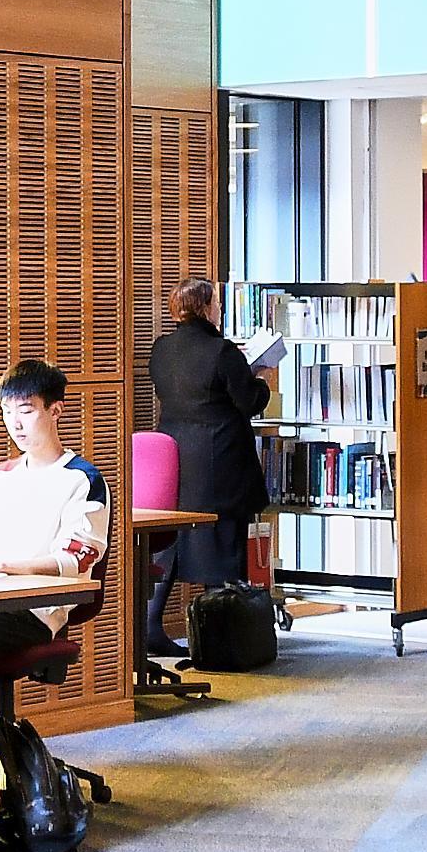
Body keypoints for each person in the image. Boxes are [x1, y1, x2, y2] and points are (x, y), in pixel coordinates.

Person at [139, 280, 264, 656]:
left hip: (175, 454)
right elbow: (249, 401)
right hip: (219, 455)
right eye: (217, 304)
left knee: (171, 543)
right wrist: (261, 380)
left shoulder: (162, 349)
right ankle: (221, 640)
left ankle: (150, 625)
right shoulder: (221, 351)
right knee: (222, 540)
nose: (220, 310)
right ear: (206, 307)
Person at [0, 359, 106, 666]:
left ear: (55, 411)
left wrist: (2, 566)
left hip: (35, 611)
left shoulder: (81, 478)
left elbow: (75, 560)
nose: (15, 423)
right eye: (7, 411)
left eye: (26, 410)